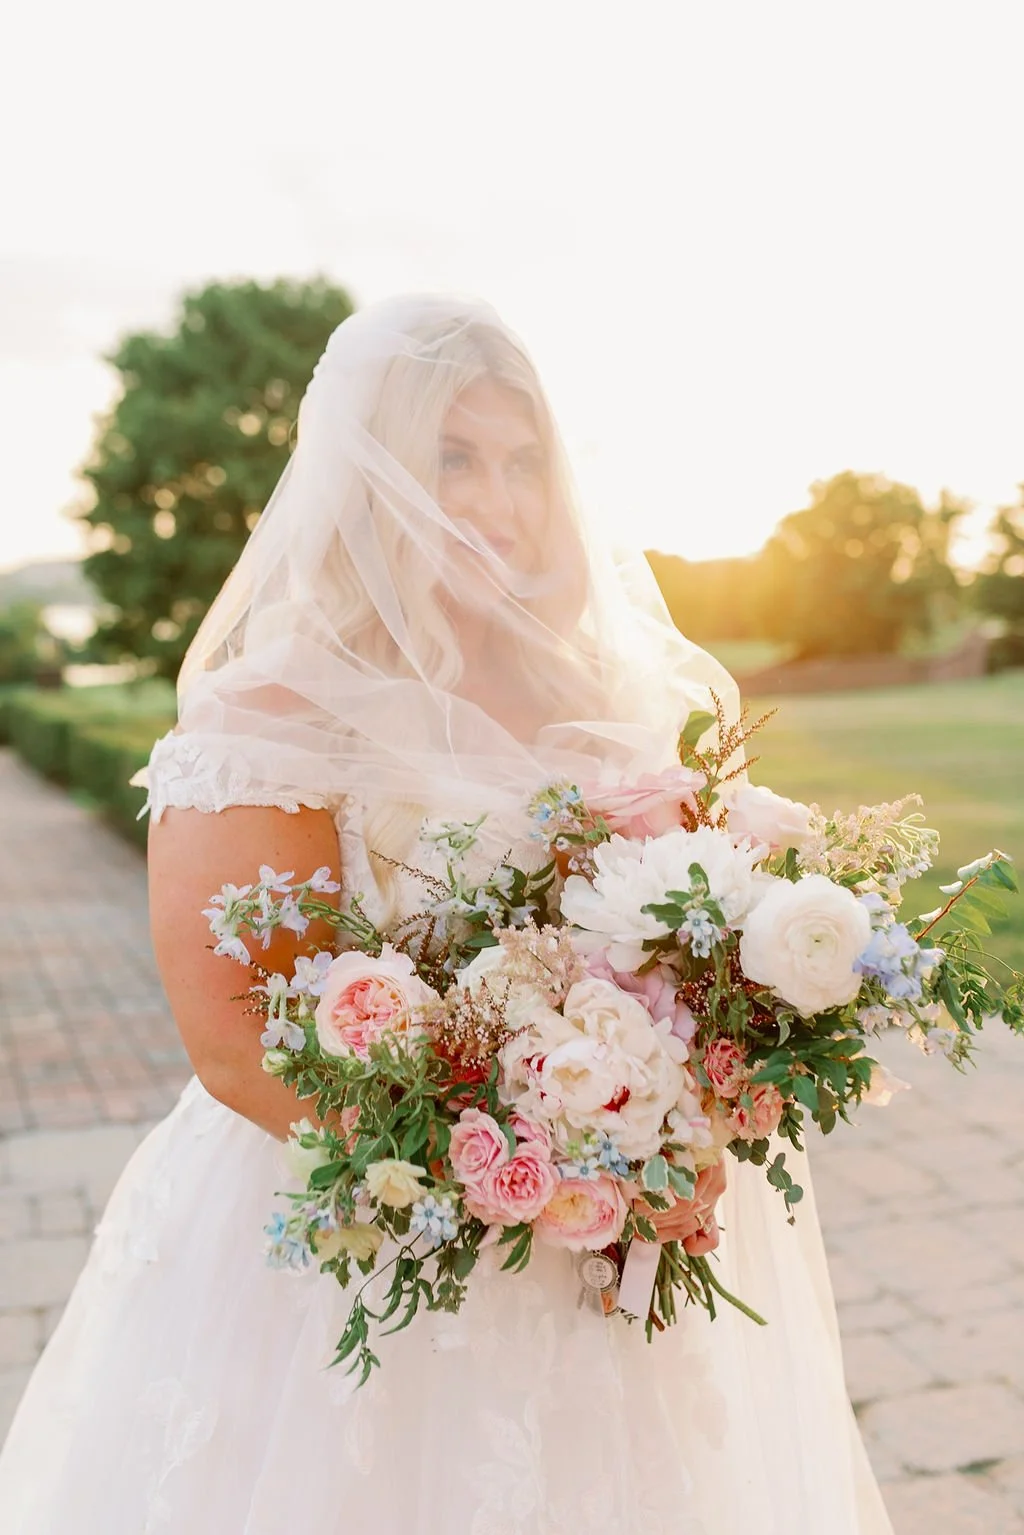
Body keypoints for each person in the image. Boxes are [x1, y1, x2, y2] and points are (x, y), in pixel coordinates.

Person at [0, 294, 894, 1533]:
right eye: (452, 457)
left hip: (609, 1250)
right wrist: (531, 1168)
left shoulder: (601, 691)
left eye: (523, 460)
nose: (497, 498)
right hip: (369, 1241)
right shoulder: (273, 709)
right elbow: (234, 1042)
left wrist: (683, 1096)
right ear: (364, 471)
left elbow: (684, 937)